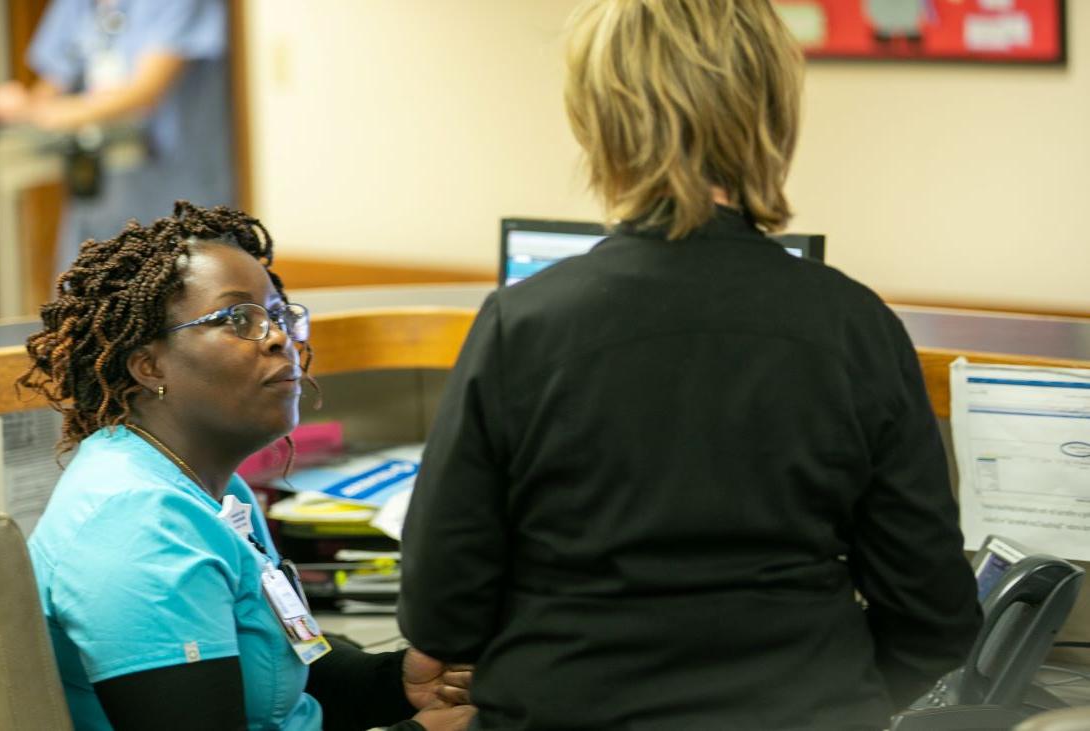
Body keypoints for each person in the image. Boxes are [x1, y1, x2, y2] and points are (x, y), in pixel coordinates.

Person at [398, 1, 981, 729]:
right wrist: (833, 694)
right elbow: (936, 614)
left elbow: (442, 609)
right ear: (770, 113)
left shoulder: (524, 326)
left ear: (598, 118)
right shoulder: (857, 328)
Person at [19, 201, 475, 731]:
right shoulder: (138, 526)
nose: (280, 337)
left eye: (281, 316)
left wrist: (395, 683)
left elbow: (276, 683)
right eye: (240, 319)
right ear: (148, 366)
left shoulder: (208, 486)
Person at [0, 0, 235, 273]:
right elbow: (53, 84)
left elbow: (145, 92)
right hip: (101, 186)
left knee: (182, 284)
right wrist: (22, 106)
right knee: (93, 286)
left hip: (173, 182)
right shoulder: (77, 6)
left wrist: (46, 113)